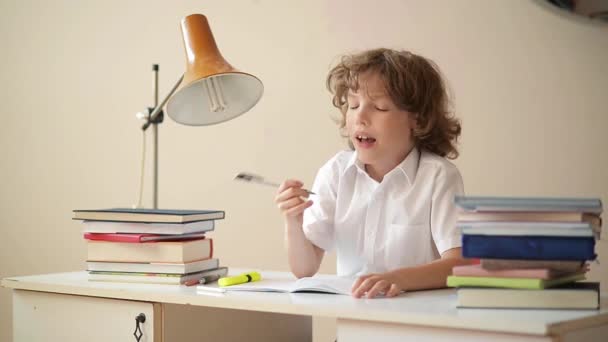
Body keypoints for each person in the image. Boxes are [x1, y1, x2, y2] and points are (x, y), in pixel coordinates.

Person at [275, 48, 470, 298]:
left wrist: (396, 279)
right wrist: (293, 221)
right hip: (353, 323)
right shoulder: (335, 172)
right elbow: (304, 268)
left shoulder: (438, 176)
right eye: (354, 105)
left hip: (419, 323)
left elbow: (458, 264)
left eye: (379, 107)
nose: (360, 117)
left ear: (417, 120)